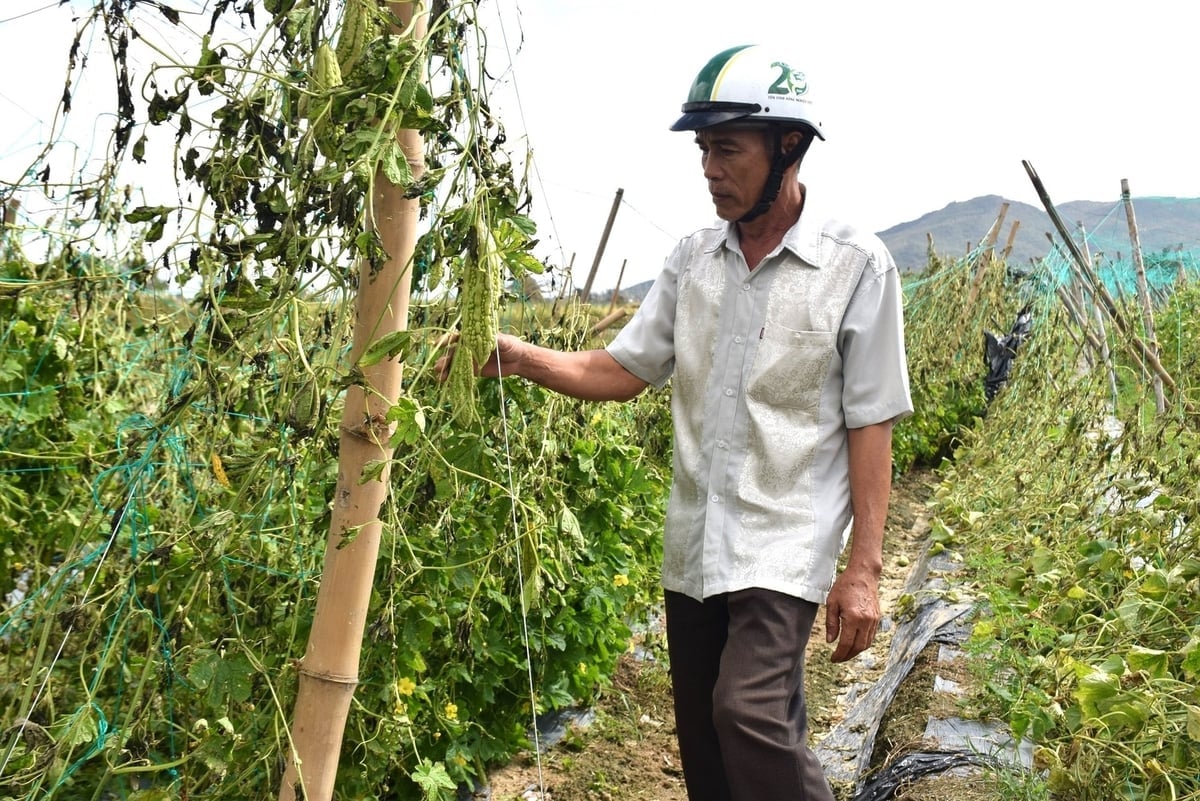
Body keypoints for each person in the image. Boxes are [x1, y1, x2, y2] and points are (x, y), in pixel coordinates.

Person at [441, 44, 913, 801]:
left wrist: (864, 568)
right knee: (706, 746)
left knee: (749, 712)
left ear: (787, 147)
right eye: (703, 149)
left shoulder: (855, 266)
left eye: (727, 148)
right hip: (695, 542)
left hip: (784, 542)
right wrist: (521, 357)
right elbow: (622, 370)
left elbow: (873, 419)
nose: (708, 167)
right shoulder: (694, 262)